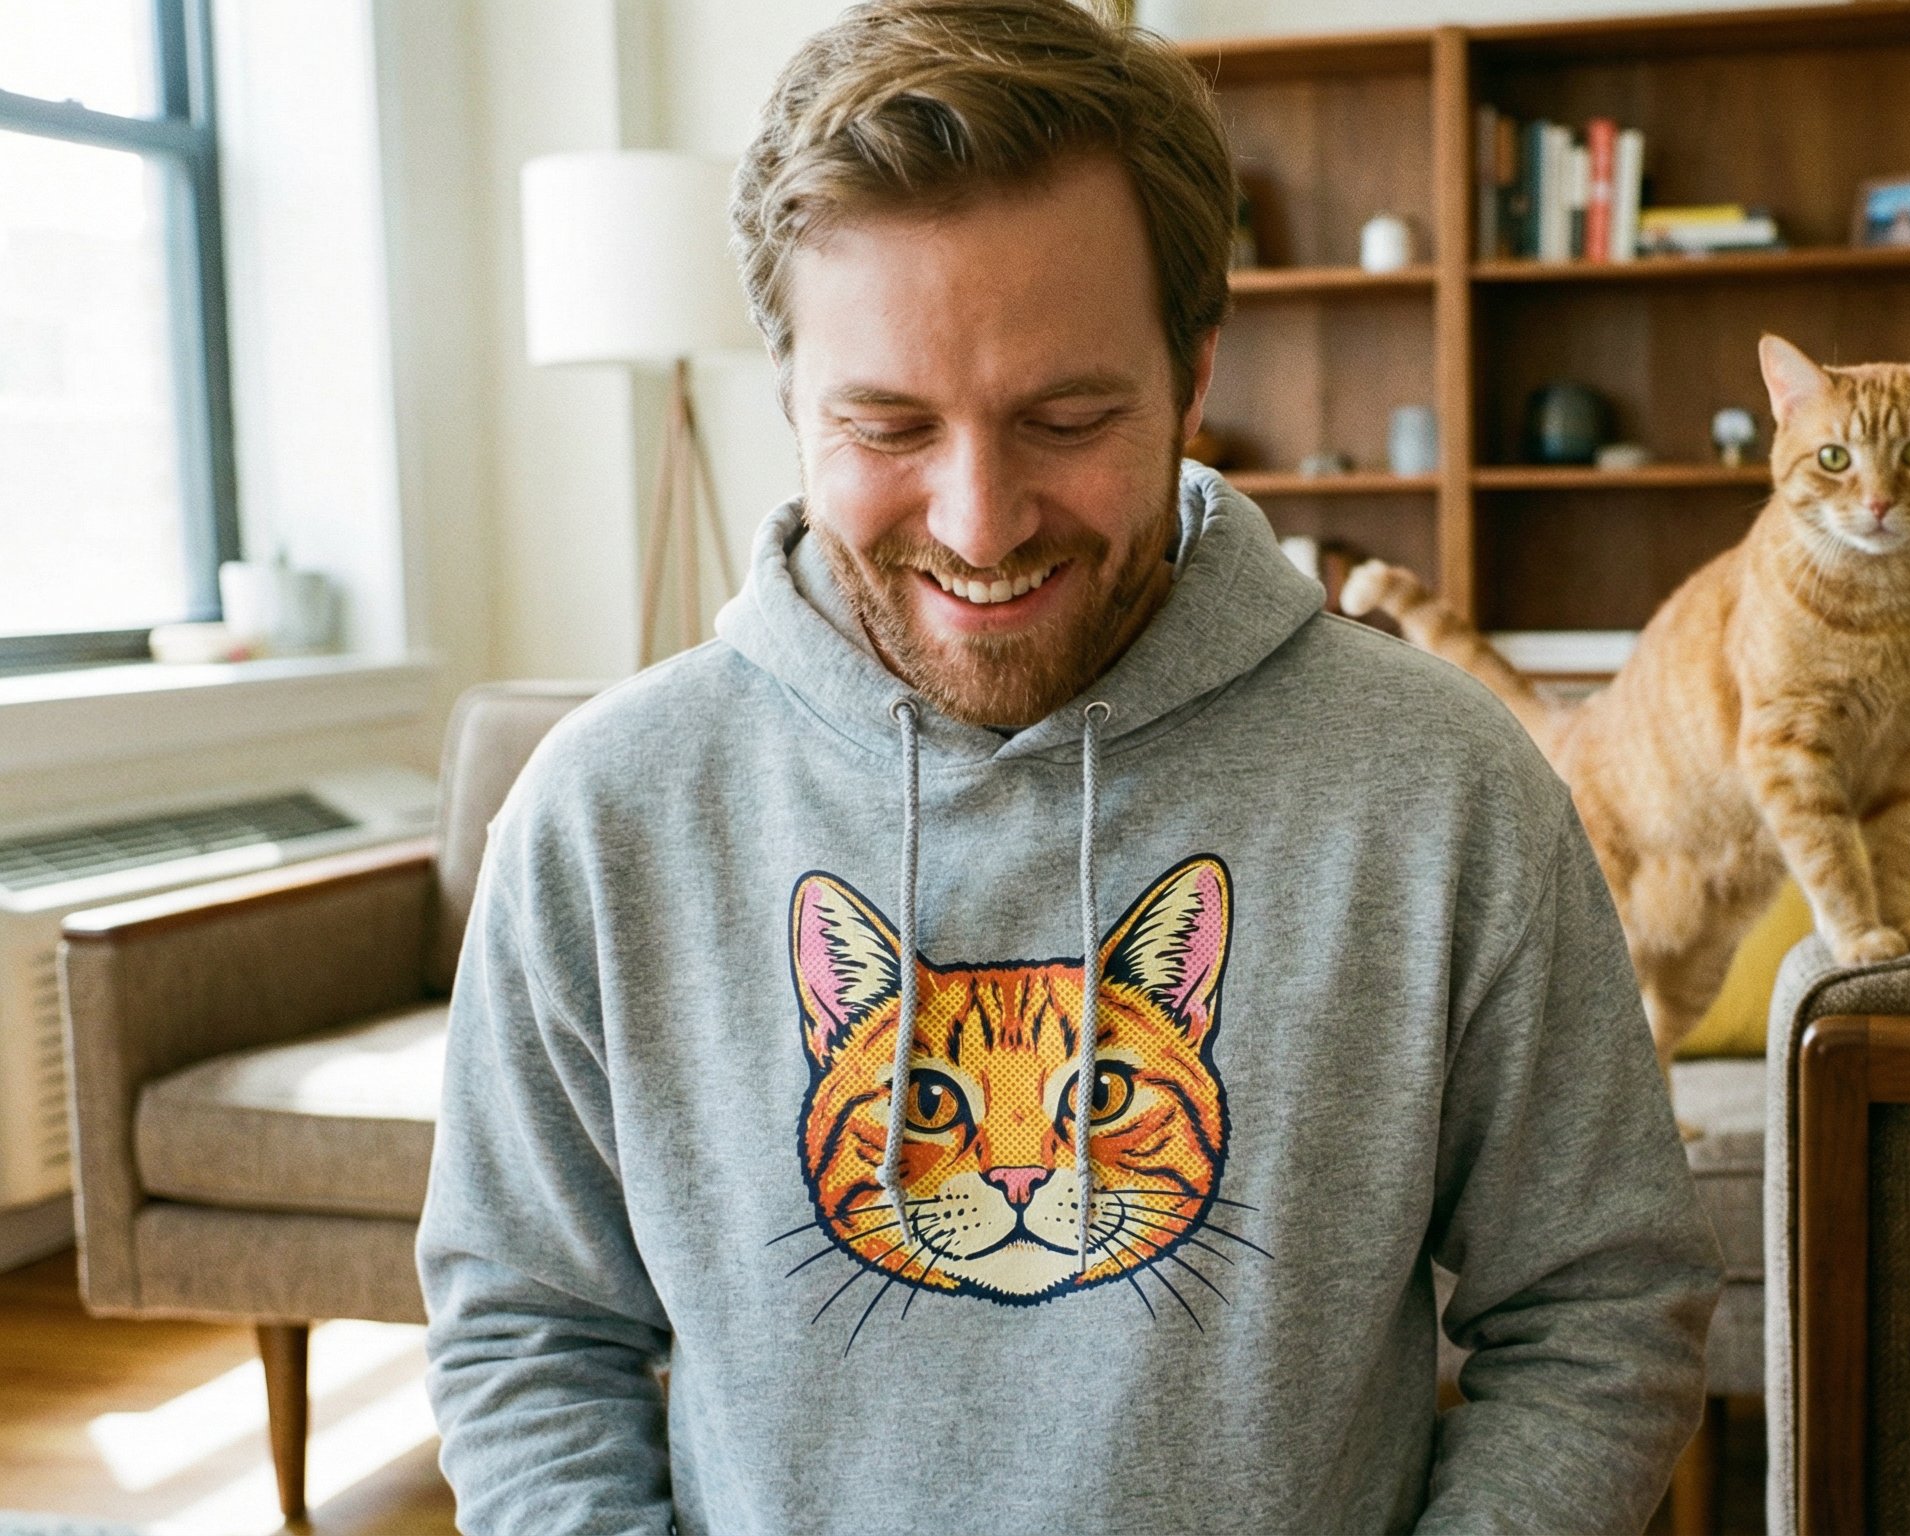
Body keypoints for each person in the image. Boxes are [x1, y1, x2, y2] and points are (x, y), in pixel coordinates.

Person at [415, 1, 1718, 1530]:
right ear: (788, 399)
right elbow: (528, 1335)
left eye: (1068, 416)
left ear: (1195, 377)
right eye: (887, 425)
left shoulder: (1443, 789)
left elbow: (1601, 1310)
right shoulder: (599, 815)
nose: (979, 523)